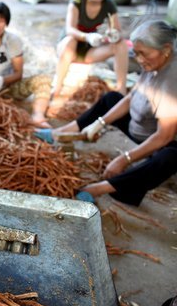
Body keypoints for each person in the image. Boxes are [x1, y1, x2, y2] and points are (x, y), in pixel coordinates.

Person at [35, 20, 177, 206]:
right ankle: (62, 133)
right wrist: (100, 122)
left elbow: (163, 137)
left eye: (144, 54)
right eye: (137, 53)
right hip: (141, 125)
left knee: (169, 157)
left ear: (166, 49)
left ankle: (98, 189)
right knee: (112, 98)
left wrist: (124, 159)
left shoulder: (172, 80)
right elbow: (130, 98)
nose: (140, 60)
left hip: (162, 141)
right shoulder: (154, 64)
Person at [46, 0, 129, 116]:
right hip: (67, 49)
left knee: (121, 45)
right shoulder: (78, 1)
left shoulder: (109, 5)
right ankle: (56, 88)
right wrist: (88, 37)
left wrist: (113, 35)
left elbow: (117, 31)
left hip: (87, 52)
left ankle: (121, 91)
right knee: (71, 40)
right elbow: (70, 29)